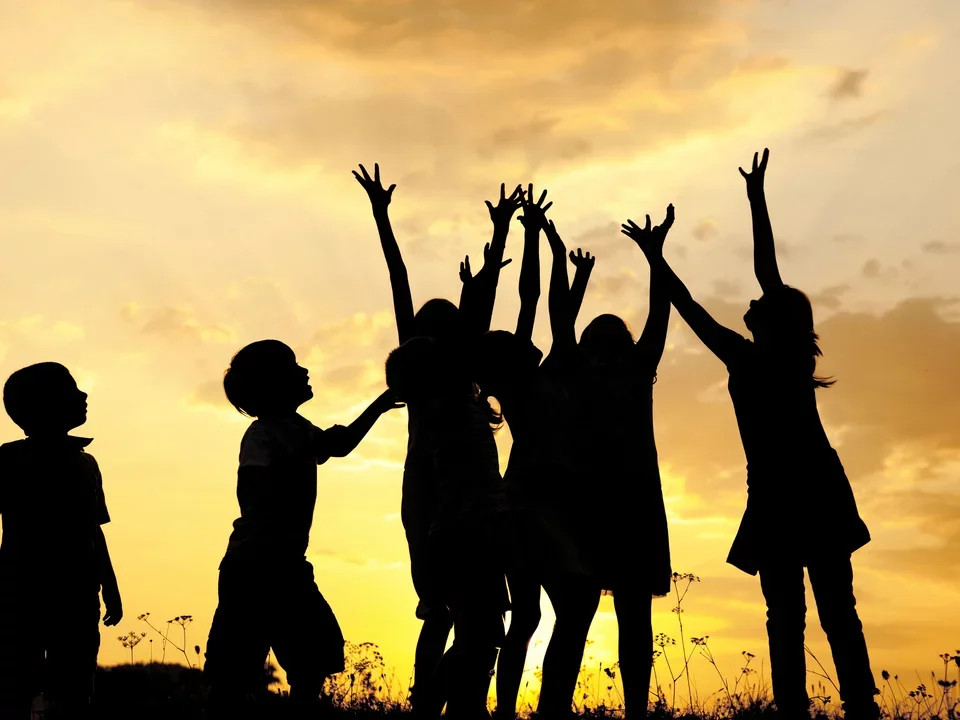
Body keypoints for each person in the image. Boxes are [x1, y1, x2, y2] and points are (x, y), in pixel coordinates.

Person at [631, 149, 879, 720]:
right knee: (801, 609)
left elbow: (761, 274)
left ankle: (854, 704)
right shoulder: (752, 358)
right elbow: (691, 304)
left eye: (762, 302)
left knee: (822, 605)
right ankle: (812, 706)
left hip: (805, 486)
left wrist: (754, 199)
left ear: (781, 319)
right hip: (782, 489)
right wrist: (656, 257)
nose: (752, 299)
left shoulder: (778, 356)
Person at [356, 163, 519, 719]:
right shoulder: (427, 388)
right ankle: (430, 704)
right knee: (456, 623)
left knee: (478, 630)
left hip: (481, 521)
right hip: (448, 521)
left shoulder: (465, 385)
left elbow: (482, 308)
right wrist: (382, 218)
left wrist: (500, 235)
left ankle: (451, 706)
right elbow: (399, 280)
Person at [203, 339, 401, 718]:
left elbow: (339, 444)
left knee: (313, 655)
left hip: (285, 564)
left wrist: (381, 403)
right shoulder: (263, 435)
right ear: (272, 384)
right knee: (235, 669)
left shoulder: (298, 429)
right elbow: (253, 491)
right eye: (293, 367)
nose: (304, 371)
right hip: (254, 566)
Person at [470, 187, 601, 719]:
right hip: (534, 500)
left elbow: (553, 308)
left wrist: (542, 240)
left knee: (531, 615)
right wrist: (528, 238)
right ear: (506, 361)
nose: (531, 340)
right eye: (517, 341)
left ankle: (524, 712)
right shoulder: (523, 384)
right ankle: (537, 712)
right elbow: (532, 302)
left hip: (538, 499)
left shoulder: (542, 376)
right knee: (564, 604)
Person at [569, 206, 674, 719]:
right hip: (601, 503)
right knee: (591, 614)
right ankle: (622, 711)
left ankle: (632, 710)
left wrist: (656, 257)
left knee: (626, 616)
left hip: (623, 503)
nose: (603, 345)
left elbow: (659, 314)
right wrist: (654, 257)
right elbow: (658, 315)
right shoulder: (603, 373)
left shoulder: (633, 370)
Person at [0, 362, 123, 720]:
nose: (83, 396)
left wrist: (110, 587)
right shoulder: (9, 461)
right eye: (71, 390)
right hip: (21, 591)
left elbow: (94, 531)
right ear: (41, 405)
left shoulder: (87, 464)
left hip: (79, 592)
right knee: (17, 681)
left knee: (75, 683)